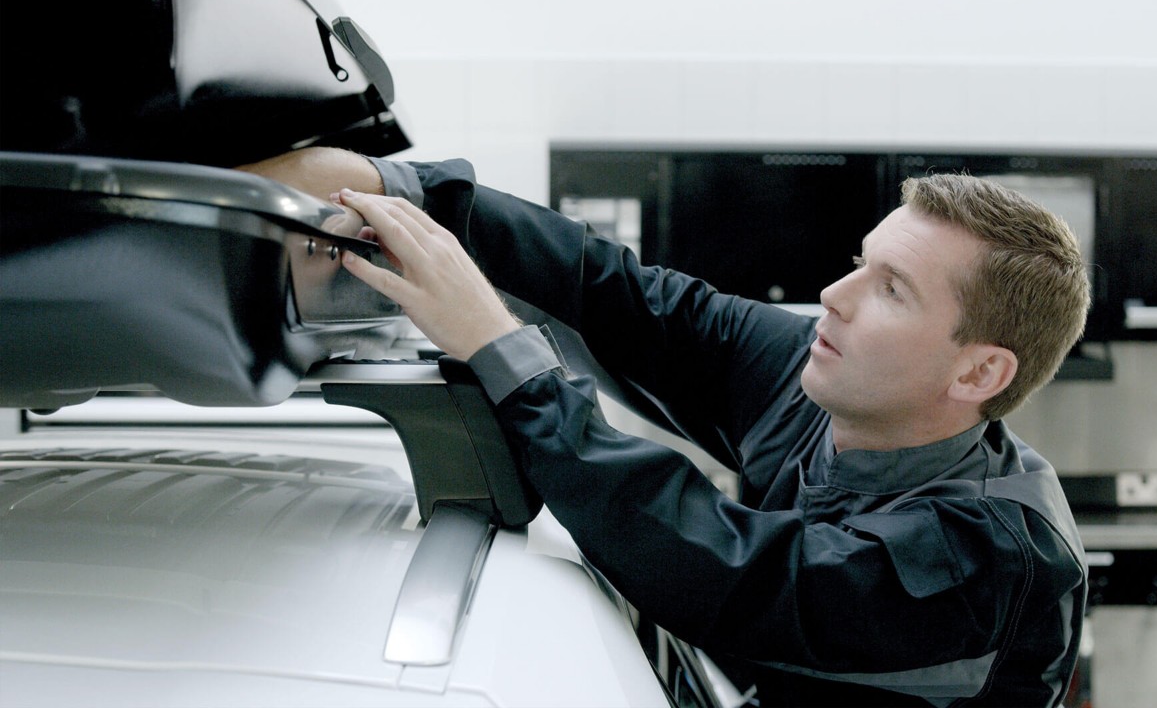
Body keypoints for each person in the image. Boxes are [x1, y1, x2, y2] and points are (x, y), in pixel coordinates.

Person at [241, 147, 1091, 708]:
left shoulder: (993, 561)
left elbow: (733, 571)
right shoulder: (827, 377)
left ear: (979, 373)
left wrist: (499, 348)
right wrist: (415, 193)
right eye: (859, 263)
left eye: (892, 289)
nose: (835, 295)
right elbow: (634, 304)